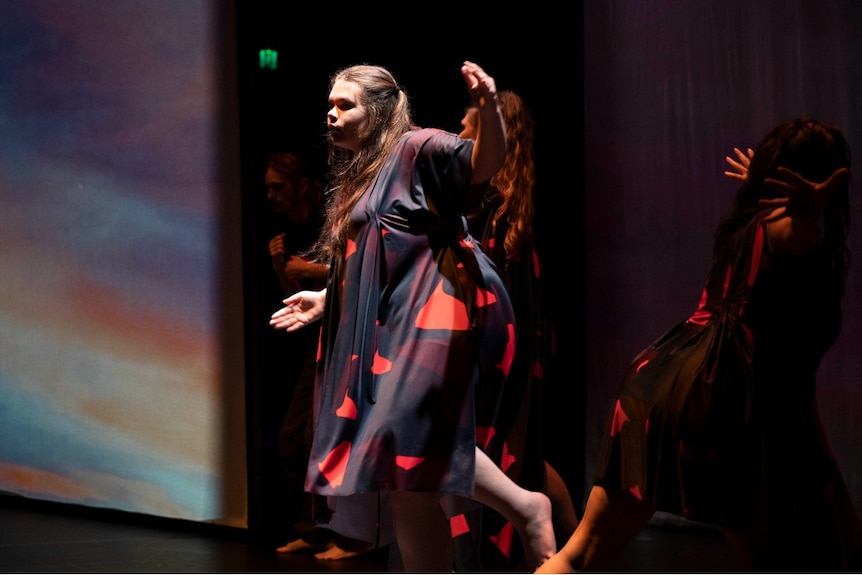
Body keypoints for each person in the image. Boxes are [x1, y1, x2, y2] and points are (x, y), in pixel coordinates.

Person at [537, 117, 862, 572]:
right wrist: (811, 213)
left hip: (656, 388)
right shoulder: (796, 231)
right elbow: (799, 238)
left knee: (584, 551)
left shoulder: (753, 221)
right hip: (720, 404)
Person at [269, 61, 556, 572]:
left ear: (379, 111)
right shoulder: (366, 172)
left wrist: (488, 105)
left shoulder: (417, 146)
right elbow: (376, 256)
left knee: (399, 445)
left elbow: (483, 162)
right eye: (328, 106)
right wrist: (327, 297)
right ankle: (523, 508)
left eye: (345, 105)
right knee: (405, 477)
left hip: (432, 318)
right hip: (392, 327)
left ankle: (524, 506)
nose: (331, 116)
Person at [452, 90, 579, 572]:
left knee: (509, 449)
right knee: (522, 454)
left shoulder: (490, 202)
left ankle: (573, 547)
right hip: (510, 345)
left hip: (500, 349)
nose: (458, 136)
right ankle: (576, 547)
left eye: (466, 128)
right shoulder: (497, 202)